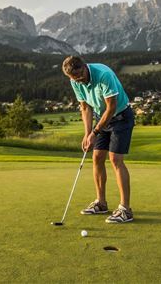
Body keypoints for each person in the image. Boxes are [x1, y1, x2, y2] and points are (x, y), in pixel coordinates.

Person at [62, 55, 135, 223]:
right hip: (100, 118)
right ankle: (101, 203)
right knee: (97, 157)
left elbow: (111, 107)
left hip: (120, 116)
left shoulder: (103, 74)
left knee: (115, 159)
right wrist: (88, 134)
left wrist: (95, 132)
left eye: (80, 77)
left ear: (84, 67)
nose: (79, 82)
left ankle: (125, 210)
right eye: (74, 79)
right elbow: (85, 107)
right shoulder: (75, 81)